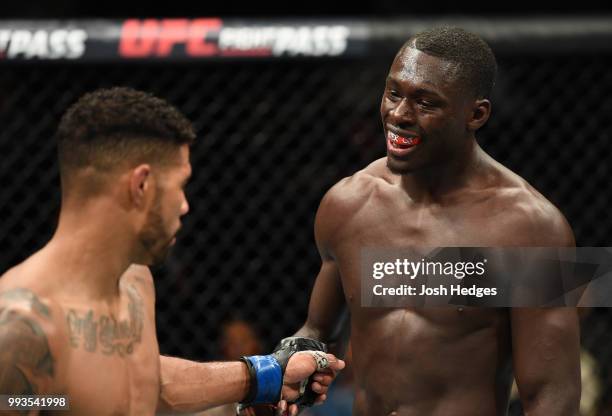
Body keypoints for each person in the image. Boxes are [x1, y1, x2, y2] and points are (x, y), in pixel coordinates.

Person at [280, 26, 581, 415]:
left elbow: (554, 395)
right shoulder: (347, 204)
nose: (399, 115)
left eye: (425, 102)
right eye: (393, 93)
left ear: (477, 114)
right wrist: (287, 363)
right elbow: (317, 332)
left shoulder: (535, 229)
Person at [0, 87, 344, 416]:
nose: (184, 206)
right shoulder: (20, 325)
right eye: (180, 186)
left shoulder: (135, 281)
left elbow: (142, 380)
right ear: (142, 185)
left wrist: (265, 376)